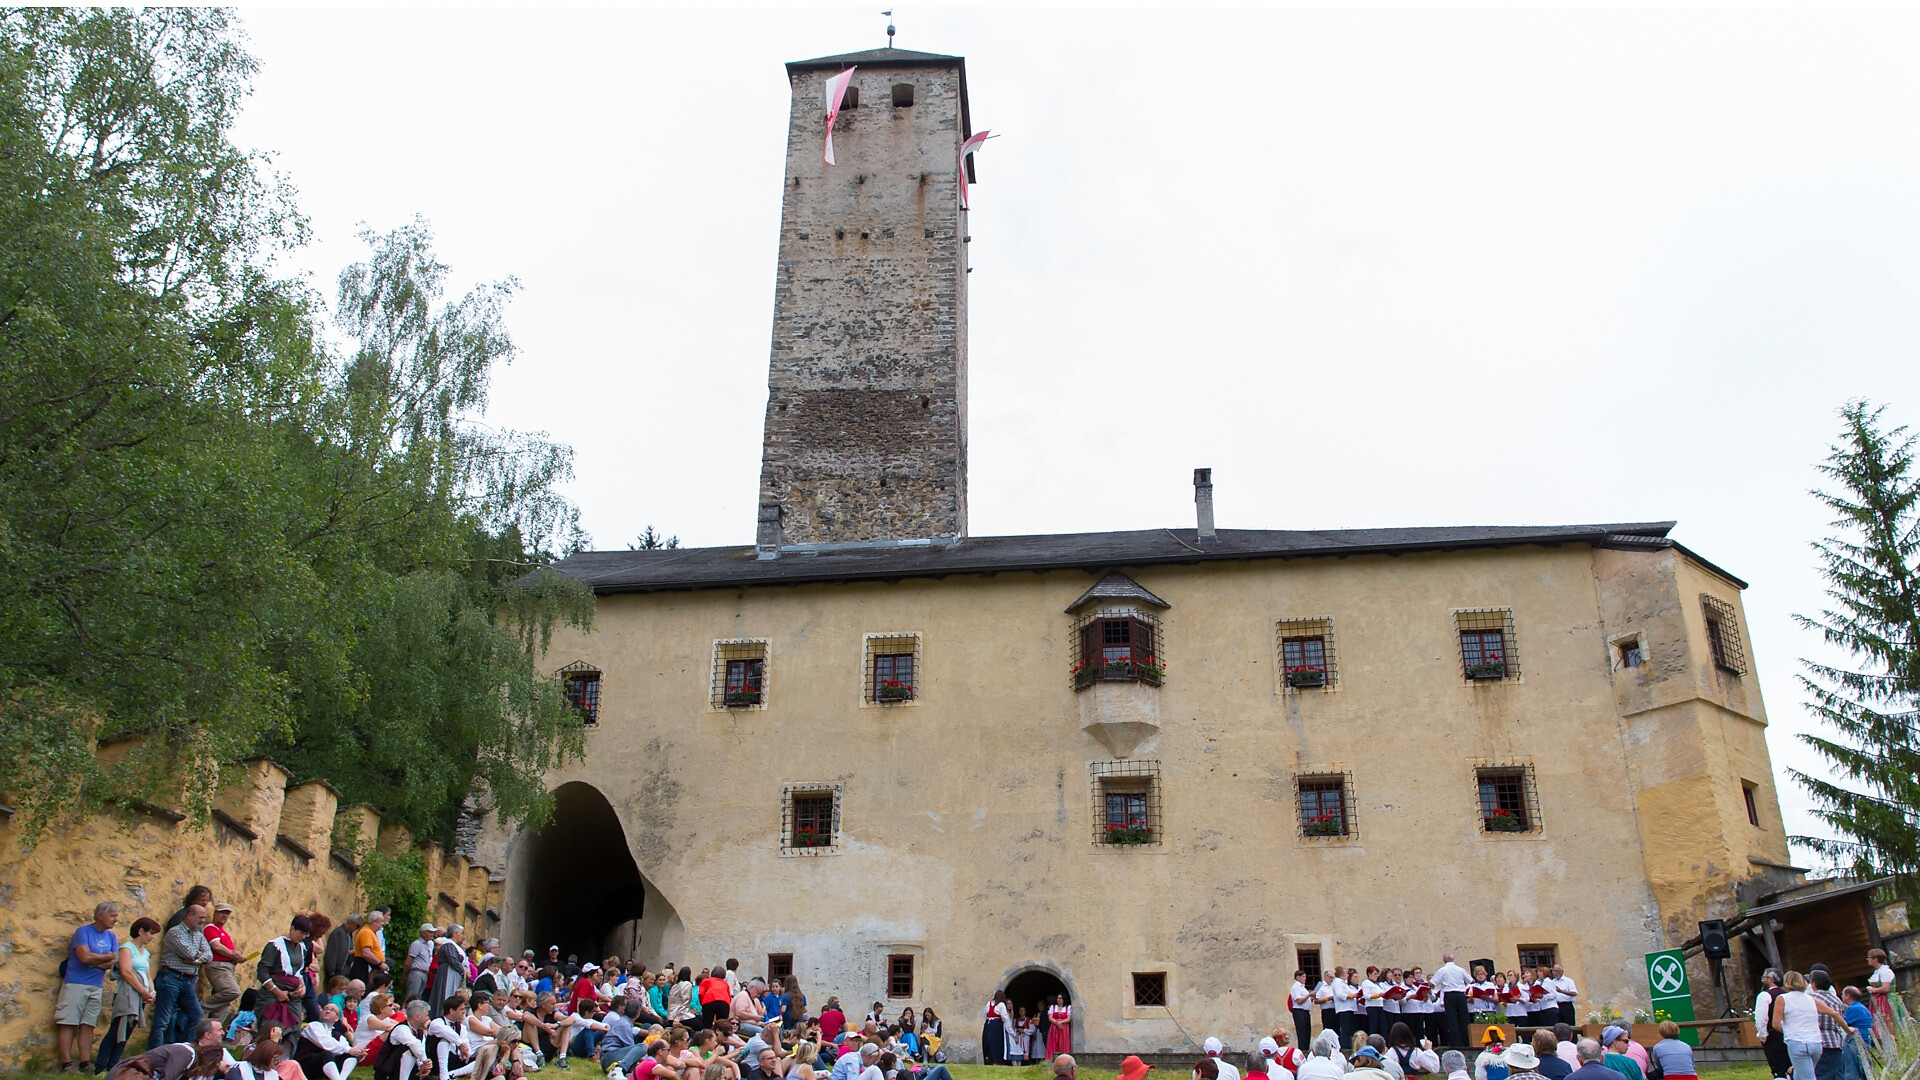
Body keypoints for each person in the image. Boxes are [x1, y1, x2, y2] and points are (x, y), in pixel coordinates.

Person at [59, 901, 124, 1073]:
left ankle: (85, 1062)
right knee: (68, 1022)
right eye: (112, 915)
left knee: (89, 1024)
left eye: (116, 916)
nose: (115, 920)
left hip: (96, 984)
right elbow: (84, 958)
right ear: (99, 915)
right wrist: (104, 958)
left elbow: (112, 962)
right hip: (76, 982)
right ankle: (67, 1063)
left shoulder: (111, 937)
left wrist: (96, 960)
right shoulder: (83, 932)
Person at [95, 916, 163, 1074]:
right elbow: (126, 971)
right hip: (128, 995)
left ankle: (113, 1065)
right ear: (141, 931)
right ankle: (101, 1067)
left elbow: (146, 974)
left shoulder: (144, 952)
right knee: (117, 1031)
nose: (152, 937)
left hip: (141, 996)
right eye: (151, 933)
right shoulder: (127, 948)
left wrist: (151, 992)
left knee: (127, 1032)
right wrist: (143, 991)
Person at [151, 905, 214, 1050]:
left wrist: (198, 959)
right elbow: (189, 953)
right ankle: (155, 1054)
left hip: (188, 980)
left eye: (204, 918)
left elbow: (209, 955)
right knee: (163, 1020)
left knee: (196, 1015)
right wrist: (199, 957)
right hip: (171, 978)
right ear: (189, 916)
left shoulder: (198, 934)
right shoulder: (175, 933)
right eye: (200, 918)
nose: (203, 921)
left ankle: (183, 1049)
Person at [294, 1002, 368, 1080]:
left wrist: (359, 1054)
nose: (328, 1011)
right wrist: (349, 1050)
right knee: (327, 1054)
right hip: (306, 1064)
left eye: (332, 1010)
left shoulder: (338, 1035)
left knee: (350, 1054)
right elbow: (325, 1043)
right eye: (325, 1009)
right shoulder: (313, 1026)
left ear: (336, 1018)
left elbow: (346, 1049)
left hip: (324, 1066)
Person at [201, 904, 245, 1027]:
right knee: (232, 991)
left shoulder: (222, 931)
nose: (224, 915)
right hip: (218, 966)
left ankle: (211, 1033)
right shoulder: (211, 928)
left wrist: (236, 954)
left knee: (223, 1005)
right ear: (215, 913)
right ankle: (197, 1008)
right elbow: (216, 946)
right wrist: (233, 955)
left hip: (227, 966)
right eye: (222, 912)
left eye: (227, 913)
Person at [1807, 971, 1849, 1080]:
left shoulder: (1810, 999)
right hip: (1835, 1041)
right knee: (1838, 1073)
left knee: (1820, 1074)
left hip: (1818, 1040)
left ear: (1814, 984)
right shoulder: (1836, 1000)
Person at [1755, 970, 1791, 1080]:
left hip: (1773, 1035)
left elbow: (1761, 1019)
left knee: (1778, 1070)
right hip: (1790, 1034)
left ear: (1771, 979)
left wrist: (1763, 1036)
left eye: (1764, 977)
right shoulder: (1787, 995)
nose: (1762, 980)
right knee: (1791, 1068)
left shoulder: (1765, 995)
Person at [429, 927, 471, 1018]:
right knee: (446, 994)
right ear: (454, 934)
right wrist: (463, 971)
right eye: (461, 933)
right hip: (448, 973)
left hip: (455, 974)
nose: (462, 936)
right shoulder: (448, 945)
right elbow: (452, 959)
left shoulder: (455, 946)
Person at [1434, 955, 1471, 1050]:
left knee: (1452, 1020)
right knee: (1464, 1019)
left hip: (1449, 995)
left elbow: (1432, 983)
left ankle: (1456, 1043)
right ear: (1453, 959)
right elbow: (1470, 980)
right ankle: (1466, 1042)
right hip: (1460, 994)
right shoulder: (1460, 970)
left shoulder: (1442, 970)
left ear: (1443, 960)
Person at [404, 926, 435, 1006]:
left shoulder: (427, 945)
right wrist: (405, 975)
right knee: (411, 997)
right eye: (429, 932)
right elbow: (409, 960)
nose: (432, 934)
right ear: (423, 933)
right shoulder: (417, 944)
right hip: (417, 972)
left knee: (417, 997)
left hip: (424, 974)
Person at [1865, 951, 1894, 1036]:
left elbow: (1885, 988)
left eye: (1869, 957)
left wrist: (1873, 989)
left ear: (1876, 959)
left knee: (1888, 1021)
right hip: (1878, 1000)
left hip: (1886, 1000)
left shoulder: (1885, 971)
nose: (1867, 959)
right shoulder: (1877, 971)